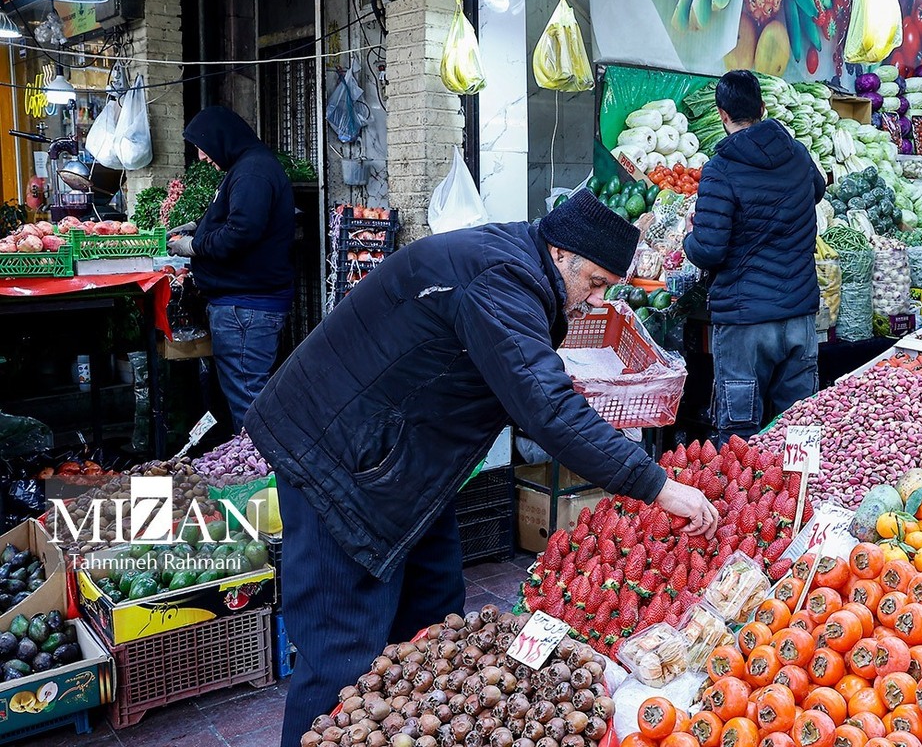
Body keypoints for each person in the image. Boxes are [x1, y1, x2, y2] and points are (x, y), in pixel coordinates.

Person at [243, 191, 719, 747]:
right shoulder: (500, 280)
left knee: (436, 617)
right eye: (592, 283)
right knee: (341, 650)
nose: (594, 300)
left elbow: (527, 377)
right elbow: (547, 407)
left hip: (402, 465)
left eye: (606, 288)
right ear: (560, 253)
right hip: (337, 459)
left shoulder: (517, 265)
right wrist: (658, 486)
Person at [682, 70, 825, 443]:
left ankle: (746, 502)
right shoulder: (796, 153)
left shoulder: (720, 170)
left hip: (746, 324)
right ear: (762, 108)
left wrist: (688, 237)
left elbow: (709, 250)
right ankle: (799, 500)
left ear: (722, 114)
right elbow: (818, 189)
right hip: (799, 317)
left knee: (740, 437)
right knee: (798, 432)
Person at [167, 106, 295, 430]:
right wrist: (198, 225)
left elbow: (242, 231)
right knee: (247, 399)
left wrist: (194, 246)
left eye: (203, 147)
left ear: (221, 138)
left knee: (250, 404)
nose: (202, 157)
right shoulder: (245, 168)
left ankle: (263, 477)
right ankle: (259, 471)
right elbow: (234, 217)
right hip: (243, 307)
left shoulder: (253, 171)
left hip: (246, 309)